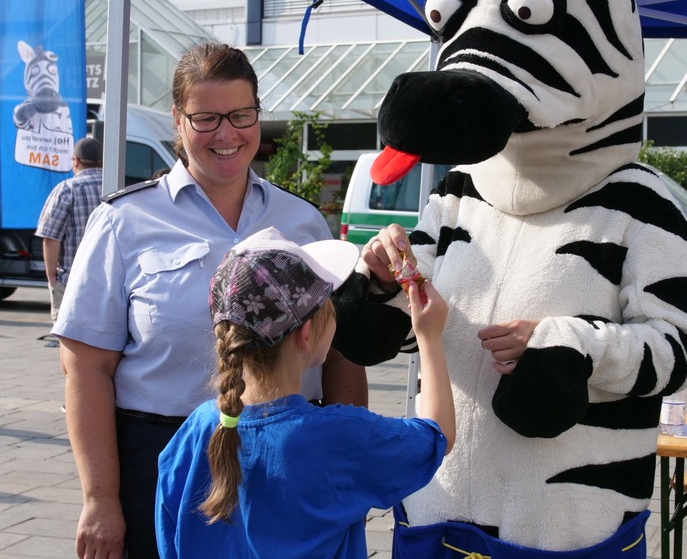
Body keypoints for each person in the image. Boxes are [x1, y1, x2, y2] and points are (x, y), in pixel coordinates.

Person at [55, 42, 367, 559]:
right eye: (206, 119)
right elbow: (85, 367)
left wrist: (347, 467)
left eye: (241, 115)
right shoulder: (124, 222)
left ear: (257, 114)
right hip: (165, 461)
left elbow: (340, 356)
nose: (226, 134)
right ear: (178, 121)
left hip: (291, 458)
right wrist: (100, 500)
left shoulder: (304, 222)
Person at [156, 227, 455, 559]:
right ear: (308, 332)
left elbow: (171, 534)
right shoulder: (342, 436)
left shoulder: (196, 430)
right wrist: (429, 338)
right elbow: (438, 436)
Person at [35, 136, 103, 322]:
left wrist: (52, 279)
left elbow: (50, 238)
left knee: (68, 336)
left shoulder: (67, 189)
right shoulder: (116, 187)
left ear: (76, 161)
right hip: (110, 283)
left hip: (72, 281)